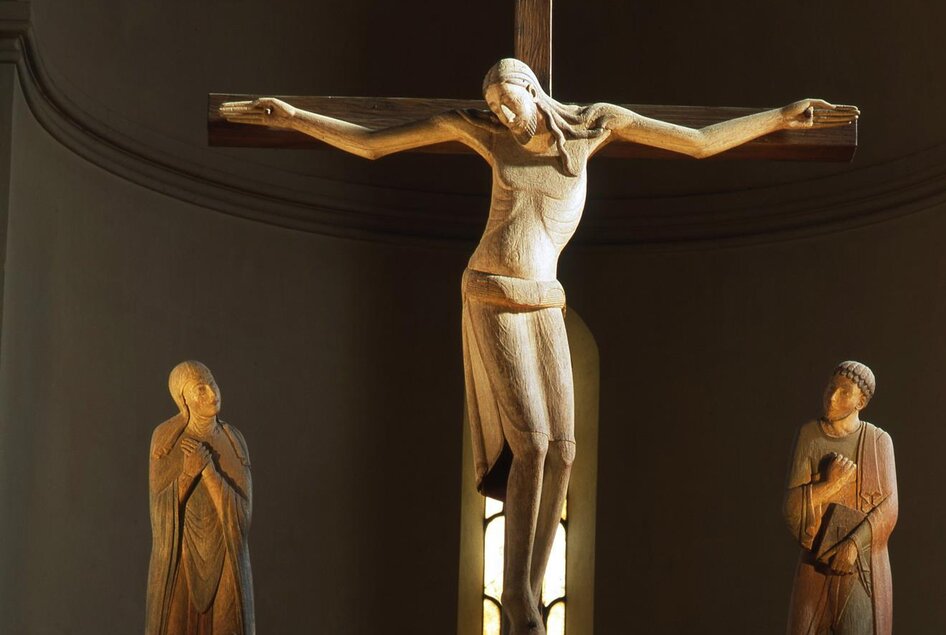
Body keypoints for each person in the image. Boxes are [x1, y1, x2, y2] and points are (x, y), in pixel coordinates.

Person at [220, 60, 858, 634]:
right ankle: (522, 598)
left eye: (509, 101)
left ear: (534, 90)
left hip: (545, 297)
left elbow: (696, 143)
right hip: (491, 290)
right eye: (495, 105)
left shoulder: (595, 126)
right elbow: (371, 145)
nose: (503, 114)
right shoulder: (487, 134)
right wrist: (297, 118)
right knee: (529, 444)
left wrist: (780, 118)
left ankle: (529, 581)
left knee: (564, 449)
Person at [783, 361, 897, 634]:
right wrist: (829, 485)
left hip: (862, 568)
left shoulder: (878, 441)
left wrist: (854, 545)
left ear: (861, 401)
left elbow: (889, 508)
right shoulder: (809, 436)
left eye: (844, 391)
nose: (832, 396)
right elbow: (791, 511)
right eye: (831, 387)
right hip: (815, 565)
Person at [146, 361, 254, 635]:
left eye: (213, 384)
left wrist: (210, 473)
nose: (212, 393)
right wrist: (188, 473)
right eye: (200, 389)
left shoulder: (233, 441)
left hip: (226, 559)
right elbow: (159, 517)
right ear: (184, 399)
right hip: (179, 560)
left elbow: (242, 517)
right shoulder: (164, 441)